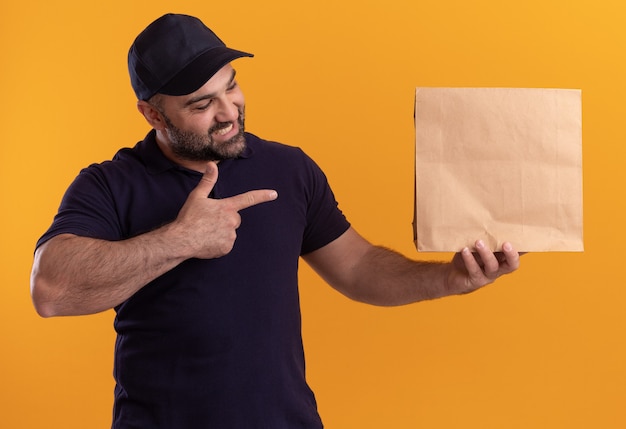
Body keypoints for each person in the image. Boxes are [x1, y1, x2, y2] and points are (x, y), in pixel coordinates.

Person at [30, 13, 521, 429]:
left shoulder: (289, 168)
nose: (229, 112)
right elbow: (51, 290)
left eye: (232, 86)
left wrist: (447, 278)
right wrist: (181, 239)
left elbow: (357, 267)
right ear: (153, 115)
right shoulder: (111, 184)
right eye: (201, 104)